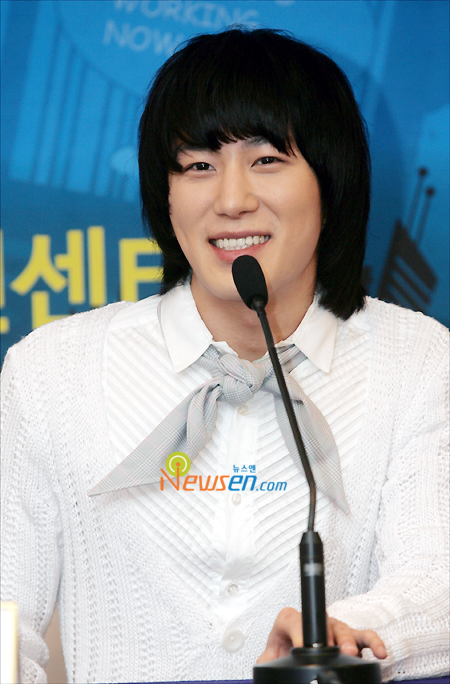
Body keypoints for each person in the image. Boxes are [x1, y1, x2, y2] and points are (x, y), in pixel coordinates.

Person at [1, 27, 448, 684]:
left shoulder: (417, 360)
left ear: (330, 181)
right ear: (165, 195)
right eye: (198, 166)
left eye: (266, 160)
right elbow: (5, 614)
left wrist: (346, 632)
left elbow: (437, 577)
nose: (232, 200)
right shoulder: (52, 370)